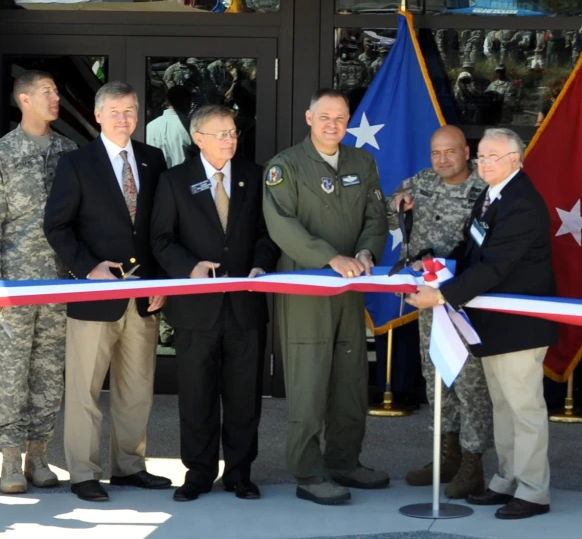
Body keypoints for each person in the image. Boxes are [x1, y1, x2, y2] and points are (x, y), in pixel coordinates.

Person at [407, 128, 558, 520]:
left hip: (519, 327)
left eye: (494, 157)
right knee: (505, 408)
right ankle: (507, 479)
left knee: (524, 409)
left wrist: (441, 295)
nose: (485, 164)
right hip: (492, 325)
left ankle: (533, 490)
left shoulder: (520, 203)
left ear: (516, 160)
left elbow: (495, 266)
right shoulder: (492, 197)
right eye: (483, 157)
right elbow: (472, 251)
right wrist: (435, 268)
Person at [43, 81, 171, 502]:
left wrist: (160, 282)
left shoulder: (154, 160)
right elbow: (56, 226)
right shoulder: (76, 164)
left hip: (144, 297)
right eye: (114, 111)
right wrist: (87, 268)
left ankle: (130, 467)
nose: (123, 118)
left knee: (136, 389)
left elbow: (159, 231)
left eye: (130, 110)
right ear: (97, 115)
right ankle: (83, 472)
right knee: (85, 390)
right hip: (93, 297)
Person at [262, 88, 388, 505]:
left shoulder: (361, 161)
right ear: (308, 117)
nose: (333, 124)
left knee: (350, 378)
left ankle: (344, 462)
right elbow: (282, 226)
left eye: (341, 117)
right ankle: (308, 472)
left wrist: (368, 250)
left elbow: (376, 215)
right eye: (325, 117)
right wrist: (329, 257)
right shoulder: (286, 166)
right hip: (306, 286)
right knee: (308, 380)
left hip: (351, 286)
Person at [151, 105, 279, 502]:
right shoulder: (174, 180)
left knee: (243, 396)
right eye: (221, 132)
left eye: (233, 131)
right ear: (198, 138)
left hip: (245, 304)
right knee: (196, 395)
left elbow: (267, 233)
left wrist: (260, 265)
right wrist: (189, 268)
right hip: (195, 308)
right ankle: (199, 472)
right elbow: (161, 239)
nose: (230, 138)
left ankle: (240, 473)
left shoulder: (254, 177)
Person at [388, 125, 491, 499]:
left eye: (450, 152)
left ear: (467, 151)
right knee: (436, 376)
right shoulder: (421, 181)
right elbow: (388, 211)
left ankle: (472, 463)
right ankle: (445, 455)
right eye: (436, 153)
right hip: (427, 298)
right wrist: (399, 203)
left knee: (469, 383)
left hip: (467, 301)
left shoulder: (484, 187)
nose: (443, 159)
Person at [0, 70, 77, 494]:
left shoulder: (70, 153)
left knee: (49, 371)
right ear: (24, 99)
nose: (56, 97)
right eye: (47, 91)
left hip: (60, 282)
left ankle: (40, 457)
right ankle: (9, 461)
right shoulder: (4, 154)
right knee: (11, 372)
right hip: (14, 286)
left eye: (57, 89)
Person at [146, 85, 192, 168]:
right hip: (182, 176)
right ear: (187, 102)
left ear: (167, 101)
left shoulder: (150, 127)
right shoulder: (189, 126)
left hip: (155, 177)